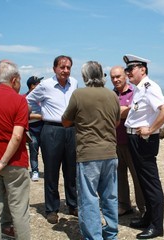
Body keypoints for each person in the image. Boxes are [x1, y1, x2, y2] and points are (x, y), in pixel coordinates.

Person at [62, 61, 120, 240]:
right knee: (110, 196)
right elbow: (117, 122)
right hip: (110, 152)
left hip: (88, 153)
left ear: (85, 76)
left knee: (89, 198)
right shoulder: (112, 95)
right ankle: (111, 234)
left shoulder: (78, 94)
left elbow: (65, 121)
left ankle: (94, 237)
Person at [123, 54, 164, 239]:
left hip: (144, 140)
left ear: (142, 69)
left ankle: (156, 225)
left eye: (131, 69)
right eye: (126, 69)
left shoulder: (150, 87)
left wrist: (151, 129)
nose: (128, 72)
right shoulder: (138, 88)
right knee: (143, 181)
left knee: (151, 183)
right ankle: (148, 217)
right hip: (135, 140)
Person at [26, 55, 78, 224]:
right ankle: (52, 209)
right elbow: (28, 101)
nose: (65, 70)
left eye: (68, 67)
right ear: (54, 68)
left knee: (72, 171)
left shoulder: (75, 84)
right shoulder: (45, 85)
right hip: (51, 130)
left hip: (71, 130)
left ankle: (73, 204)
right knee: (51, 171)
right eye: (62, 67)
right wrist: (40, 114)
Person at [0, 61, 30, 239]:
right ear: (14, 80)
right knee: (19, 210)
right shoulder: (19, 100)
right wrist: (4, 161)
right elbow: (16, 136)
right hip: (14, 162)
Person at [110, 66, 145, 216]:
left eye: (118, 76)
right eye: (113, 77)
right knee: (119, 176)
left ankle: (143, 208)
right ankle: (124, 205)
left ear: (125, 76)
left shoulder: (136, 91)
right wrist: (125, 109)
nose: (116, 80)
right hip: (116, 141)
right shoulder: (110, 95)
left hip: (133, 142)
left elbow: (134, 112)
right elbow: (109, 114)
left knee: (138, 176)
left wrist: (120, 111)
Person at [25, 76, 44, 181]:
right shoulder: (25, 99)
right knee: (34, 150)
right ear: (32, 86)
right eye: (38, 84)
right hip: (32, 128)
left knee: (47, 151)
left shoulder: (42, 97)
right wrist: (39, 116)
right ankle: (35, 171)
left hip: (43, 126)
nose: (40, 85)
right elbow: (24, 116)